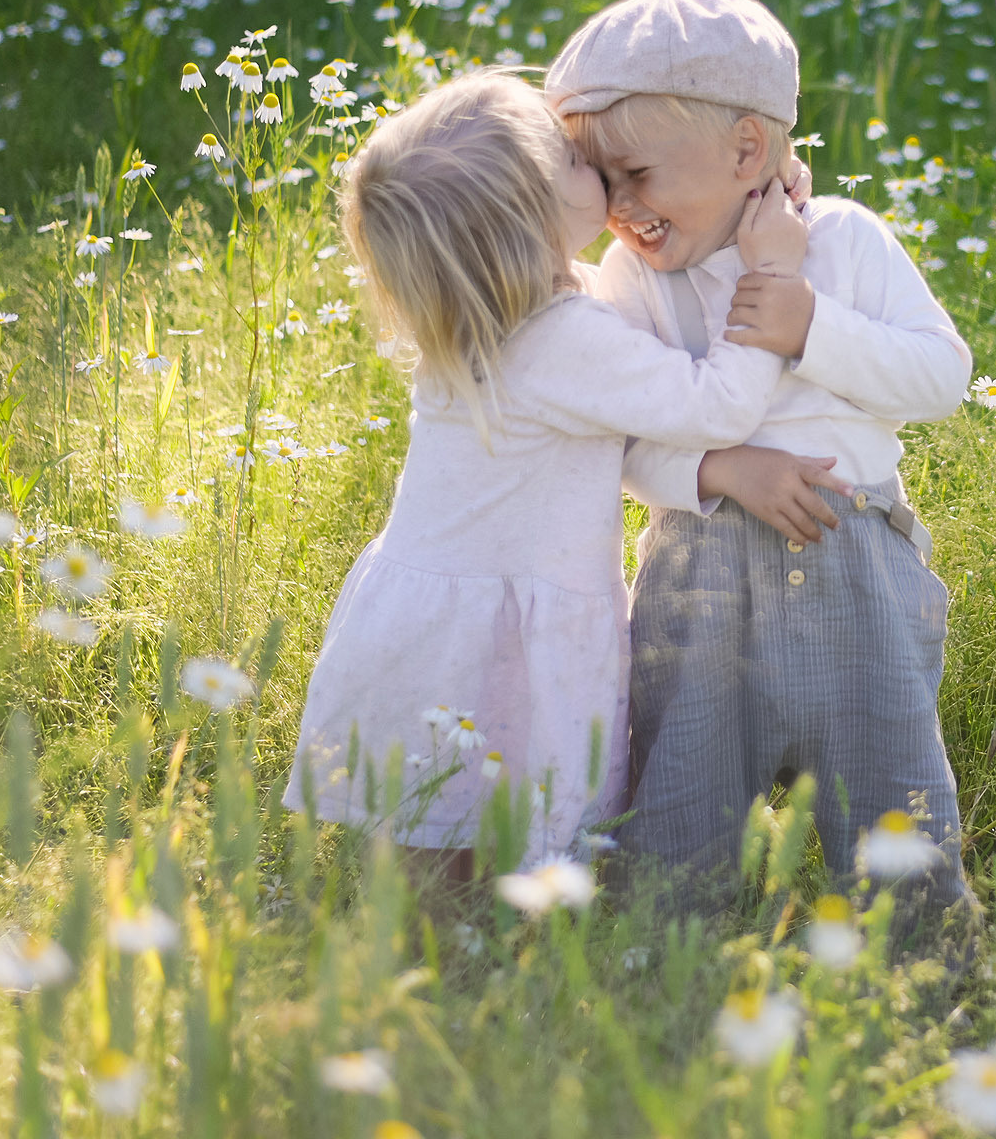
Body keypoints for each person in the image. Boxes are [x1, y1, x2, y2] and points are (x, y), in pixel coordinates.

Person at [282, 68, 805, 877]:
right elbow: (717, 404)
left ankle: (440, 968)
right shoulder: (562, 342)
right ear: (529, 221)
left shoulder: (478, 322)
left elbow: (622, 335)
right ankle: (474, 971)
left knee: (439, 834)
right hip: (505, 627)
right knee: (487, 858)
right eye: (568, 161)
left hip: (439, 628)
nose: (591, 163)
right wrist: (772, 272)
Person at [548, 0, 976, 912]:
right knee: (679, 806)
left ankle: (924, 980)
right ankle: (660, 971)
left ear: (749, 148)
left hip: (854, 567)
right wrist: (722, 470)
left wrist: (813, 327)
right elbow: (617, 441)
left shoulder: (844, 242)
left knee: (891, 800)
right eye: (601, 181)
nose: (622, 208)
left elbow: (940, 377)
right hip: (700, 580)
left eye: (638, 175)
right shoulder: (631, 280)